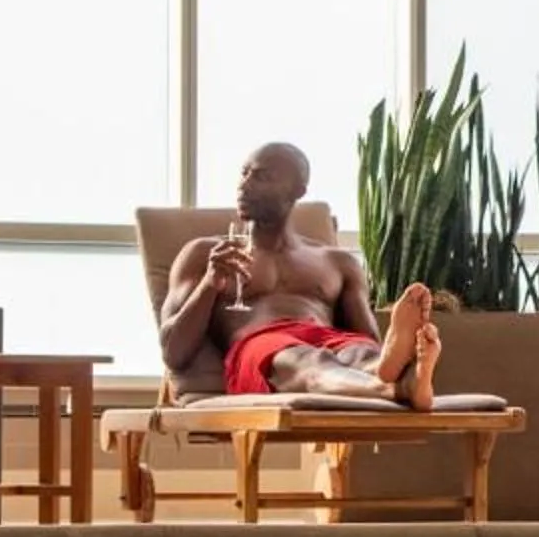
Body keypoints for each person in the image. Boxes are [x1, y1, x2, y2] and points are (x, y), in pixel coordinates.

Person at [160, 142, 442, 408]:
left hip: (330, 338)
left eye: (262, 177)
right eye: (244, 173)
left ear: (298, 190)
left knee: (362, 354)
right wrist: (210, 284)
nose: (244, 185)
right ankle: (400, 388)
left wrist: (385, 355)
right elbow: (174, 353)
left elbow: (369, 341)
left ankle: (406, 380)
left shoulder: (337, 262)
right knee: (307, 361)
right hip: (261, 345)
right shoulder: (205, 254)